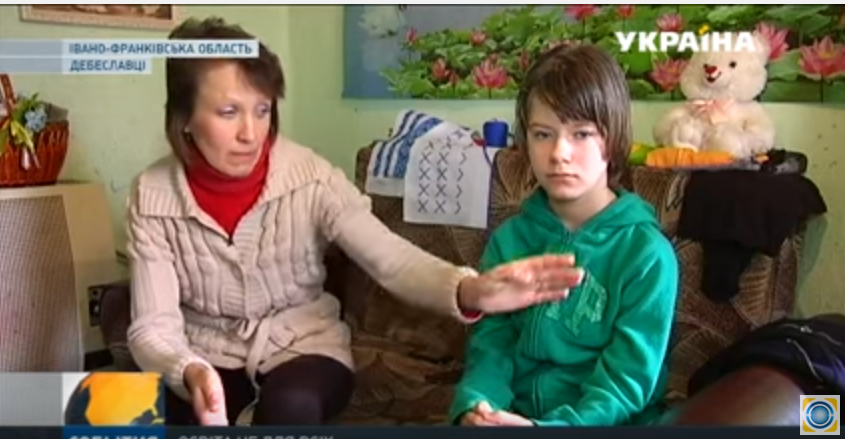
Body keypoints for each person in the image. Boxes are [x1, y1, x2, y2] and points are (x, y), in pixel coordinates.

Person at [125, 17, 584, 427]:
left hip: (303, 350)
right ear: (184, 118)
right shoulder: (152, 194)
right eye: (229, 112)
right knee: (112, 405)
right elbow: (152, 327)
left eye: (262, 110)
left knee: (290, 406)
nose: (251, 133)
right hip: (202, 354)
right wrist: (188, 369)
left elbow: (390, 259)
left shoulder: (310, 177)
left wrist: (470, 290)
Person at [449, 44, 680, 427]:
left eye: (581, 133)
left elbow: (625, 384)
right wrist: (476, 408)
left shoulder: (647, 254)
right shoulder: (508, 240)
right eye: (543, 134)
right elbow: (490, 349)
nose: (559, 153)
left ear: (613, 139)